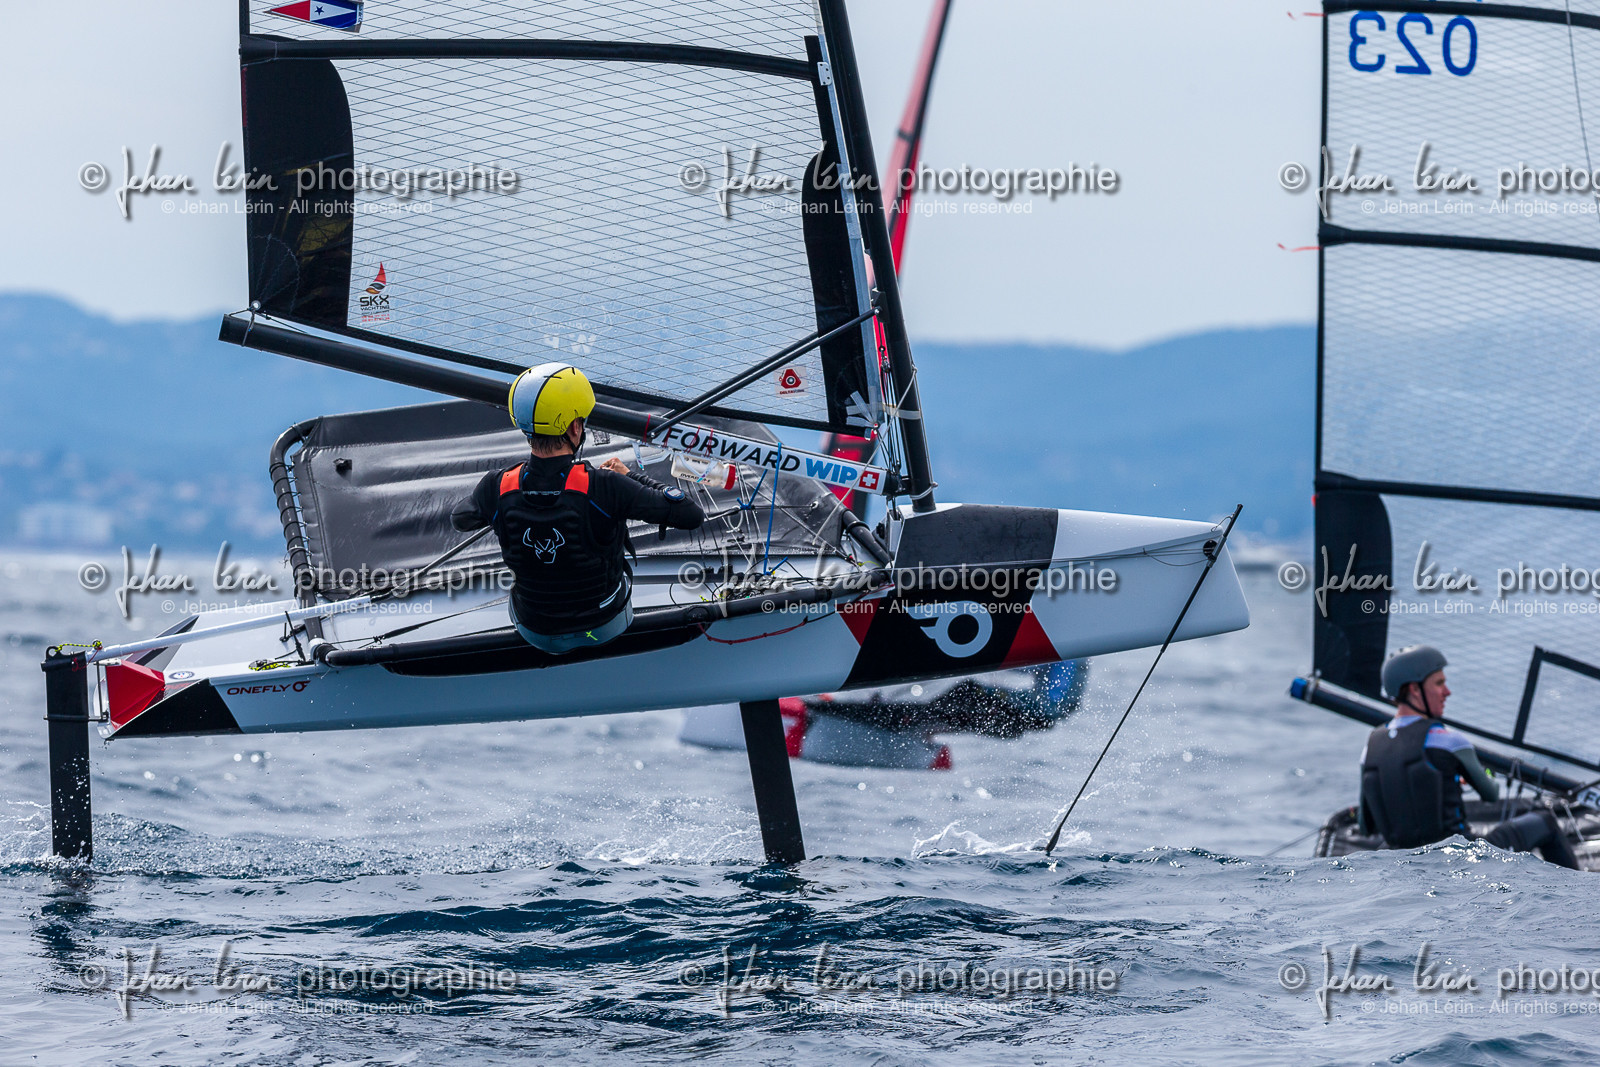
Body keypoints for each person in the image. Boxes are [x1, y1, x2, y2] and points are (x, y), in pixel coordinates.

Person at [451, 363, 704, 654]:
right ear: (575, 427)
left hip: (536, 628)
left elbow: (461, 519)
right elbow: (690, 515)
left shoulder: (497, 486)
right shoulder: (606, 486)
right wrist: (630, 476)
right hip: (604, 624)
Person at [1358, 645, 1579, 869]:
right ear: (1415, 689)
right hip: (1462, 859)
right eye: (1439, 683)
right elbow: (1491, 794)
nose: (1447, 692)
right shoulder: (1448, 741)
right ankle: (1579, 894)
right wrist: (1474, 774)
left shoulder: (1370, 747)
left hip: (1404, 863)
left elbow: (1365, 826)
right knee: (1546, 821)